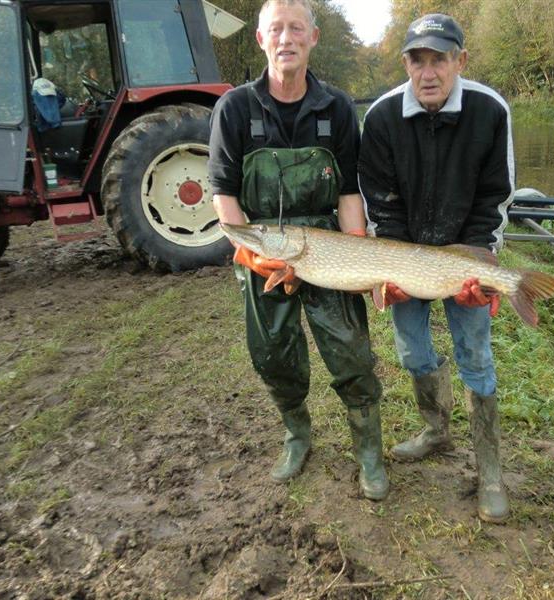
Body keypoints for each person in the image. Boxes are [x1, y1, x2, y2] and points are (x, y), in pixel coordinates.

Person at [209, 0, 388, 500]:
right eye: (275, 30)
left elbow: (348, 193)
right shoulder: (235, 109)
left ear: (313, 37)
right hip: (263, 245)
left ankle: (369, 452)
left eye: (295, 28)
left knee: (352, 353)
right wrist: (253, 254)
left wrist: (360, 256)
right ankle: (297, 434)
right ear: (261, 40)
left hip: (326, 242)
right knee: (273, 355)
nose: (285, 38)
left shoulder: (337, 108)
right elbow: (224, 194)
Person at [358, 13, 514, 522]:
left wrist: (480, 261)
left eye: (439, 60)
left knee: (476, 356)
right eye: (417, 60)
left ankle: (489, 470)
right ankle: (437, 429)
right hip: (404, 254)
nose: (428, 73)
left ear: (460, 61)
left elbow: (494, 196)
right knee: (412, 350)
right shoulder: (381, 117)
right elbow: (379, 201)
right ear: (405, 63)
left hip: (464, 255)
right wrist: (392, 262)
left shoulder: (489, 110)